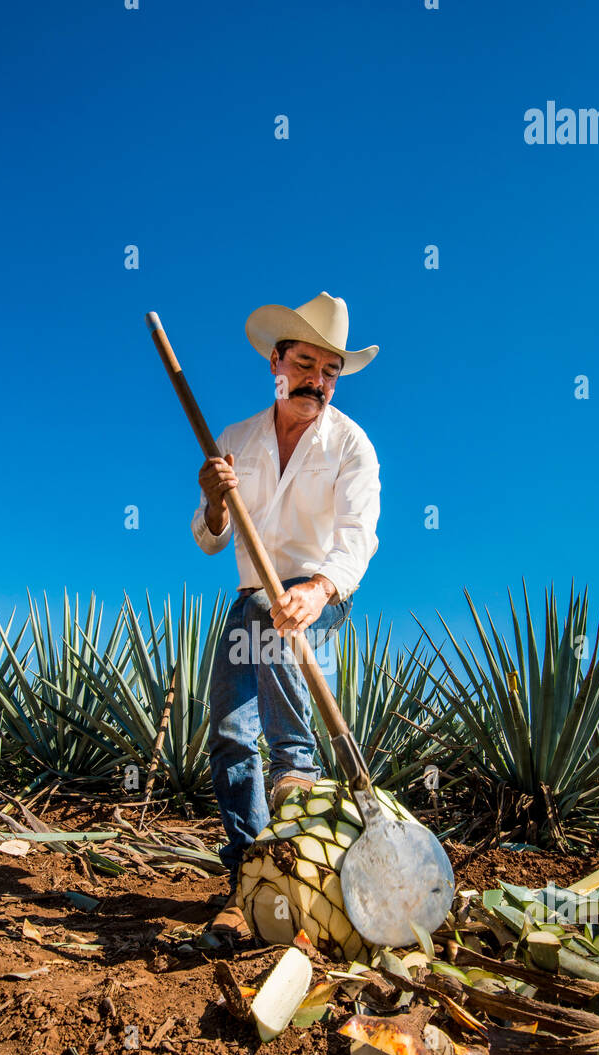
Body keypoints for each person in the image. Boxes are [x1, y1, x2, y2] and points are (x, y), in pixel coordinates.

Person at [191, 291, 381, 928]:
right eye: (305, 364)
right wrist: (215, 499)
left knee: (279, 641)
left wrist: (318, 589)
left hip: (317, 596)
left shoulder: (351, 444)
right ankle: (251, 872)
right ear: (276, 362)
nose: (318, 382)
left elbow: (359, 534)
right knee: (228, 735)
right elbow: (211, 536)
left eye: (330, 372)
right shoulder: (236, 439)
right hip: (251, 599)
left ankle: (297, 773)